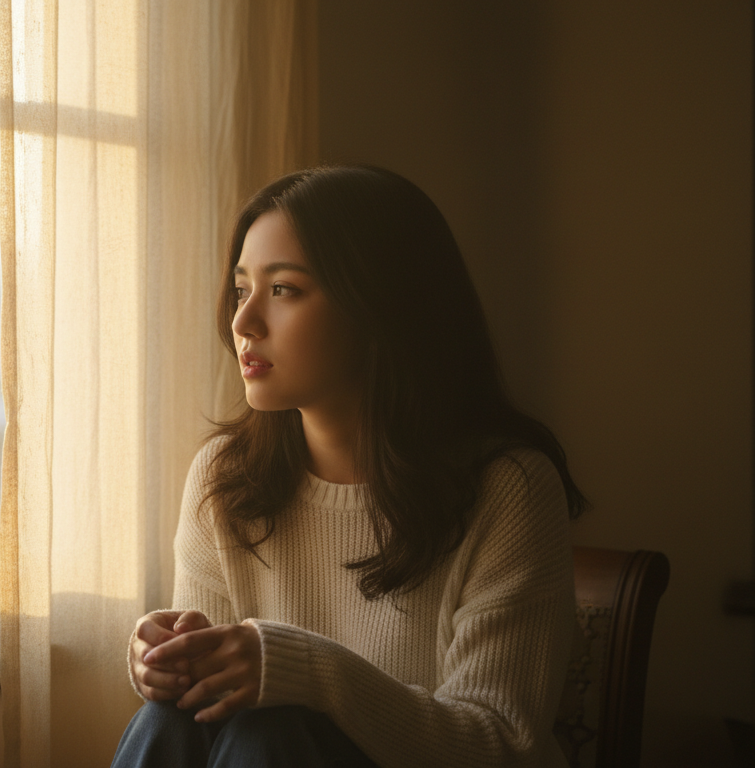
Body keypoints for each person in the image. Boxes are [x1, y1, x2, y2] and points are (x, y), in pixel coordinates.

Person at [110, 166, 587, 768]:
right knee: (172, 717)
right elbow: (210, 715)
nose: (243, 323)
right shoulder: (223, 478)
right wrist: (171, 663)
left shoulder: (507, 490)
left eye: (283, 289)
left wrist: (304, 670)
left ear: (381, 308)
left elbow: (501, 745)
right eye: (241, 290)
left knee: (271, 735)